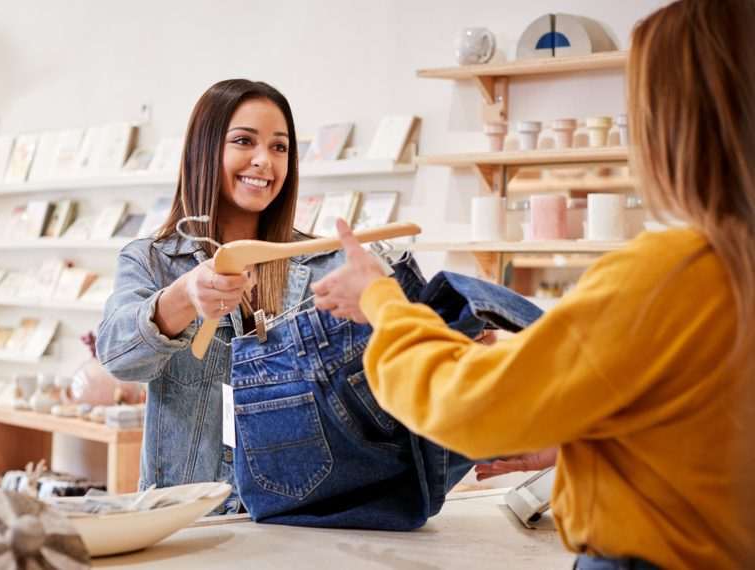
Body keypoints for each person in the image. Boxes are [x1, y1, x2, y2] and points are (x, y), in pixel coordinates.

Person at [311, 0, 755, 567]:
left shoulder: (673, 274)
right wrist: (588, 442)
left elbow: (467, 405)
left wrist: (381, 300)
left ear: (671, 122)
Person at [96, 79, 344, 510]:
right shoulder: (152, 261)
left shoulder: (323, 264)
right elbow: (118, 356)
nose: (264, 161)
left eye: (280, 147)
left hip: (298, 515)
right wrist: (183, 296)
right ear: (204, 149)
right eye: (243, 141)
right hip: (186, 517)